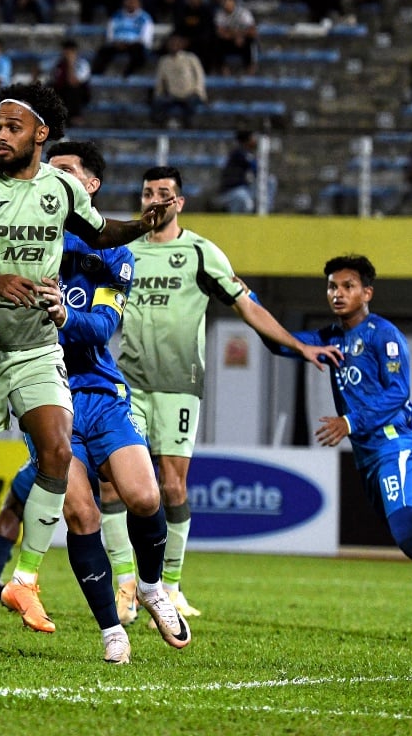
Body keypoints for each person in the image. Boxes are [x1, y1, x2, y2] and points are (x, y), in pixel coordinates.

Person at [0, 82, 176, 634]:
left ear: (41, 133)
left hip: (35, 346)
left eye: (13, 127)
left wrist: (143, 225)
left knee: (57, 453)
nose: (1, 136)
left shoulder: (60, 188)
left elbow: (101, 233)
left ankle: (25, 579)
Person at [0, 140, 192, 663]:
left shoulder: (114, 254)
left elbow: (105, 325)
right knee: (82, 515)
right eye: (49, 169)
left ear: (90, 186)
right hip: (46, 396)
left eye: (64, 170)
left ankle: (152, 587)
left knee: (145, 498)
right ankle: (112, 630)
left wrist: (64, 315)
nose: (51, 177)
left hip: (101, 394)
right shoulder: (23, 239)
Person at [117, 165, 342, 618]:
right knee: (115, 484)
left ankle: (169, 588)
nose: (155, 200)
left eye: (164, 193)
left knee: (172, 485)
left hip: (180, 386)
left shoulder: (201, 253)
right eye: (147, 193)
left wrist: (299, 345)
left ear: (180, 203)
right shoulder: (123, 251)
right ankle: (125, 584)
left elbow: (248, 307)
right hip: (128, 383)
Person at [254, 255, 412, 646]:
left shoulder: (384, 335)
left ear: (367, 293)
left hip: (393, 446)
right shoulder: (331, 338)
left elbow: (398, 392)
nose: (337, 293)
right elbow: (281, 345)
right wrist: (245, 300)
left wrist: (349, 422)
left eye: (348, 286)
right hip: (369, 456)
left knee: (411, 535)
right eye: (332, 286)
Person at [91, 0, 155, 78]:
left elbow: (146, 39)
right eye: (129, 1)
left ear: (139, 3)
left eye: (133, 1)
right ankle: (96, 74)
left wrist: (129, 43)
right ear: (124, 2)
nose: (131, 3)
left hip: (134, 45)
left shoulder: (145, 18)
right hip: (117, 44)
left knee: (139, 53)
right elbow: (110, 35)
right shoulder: (116, 16)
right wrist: (116, 42)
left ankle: (128, 74)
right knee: (103, 51)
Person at [151, 33, 206, 128]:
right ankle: (160, 126)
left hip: (190, 93)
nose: (174, 46)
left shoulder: (191, 58)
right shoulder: (164, 61)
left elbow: (200, 76)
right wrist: (159, 93)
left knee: (191, 108)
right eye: (171, 44)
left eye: (176, 43)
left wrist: (198, 91)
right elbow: (160, 80)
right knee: (158, 103)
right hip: (173, 95)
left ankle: (189, 128)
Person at [215, 129, 276, 213]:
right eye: (253, 138)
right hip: (233, 190)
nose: (255, 140)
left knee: (270, 180)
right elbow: (256, 168)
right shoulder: (239, 153)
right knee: (245, 202)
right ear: (247, 139)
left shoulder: (246, 153)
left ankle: (266, 210)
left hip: (244, 188)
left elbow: (259, 174)